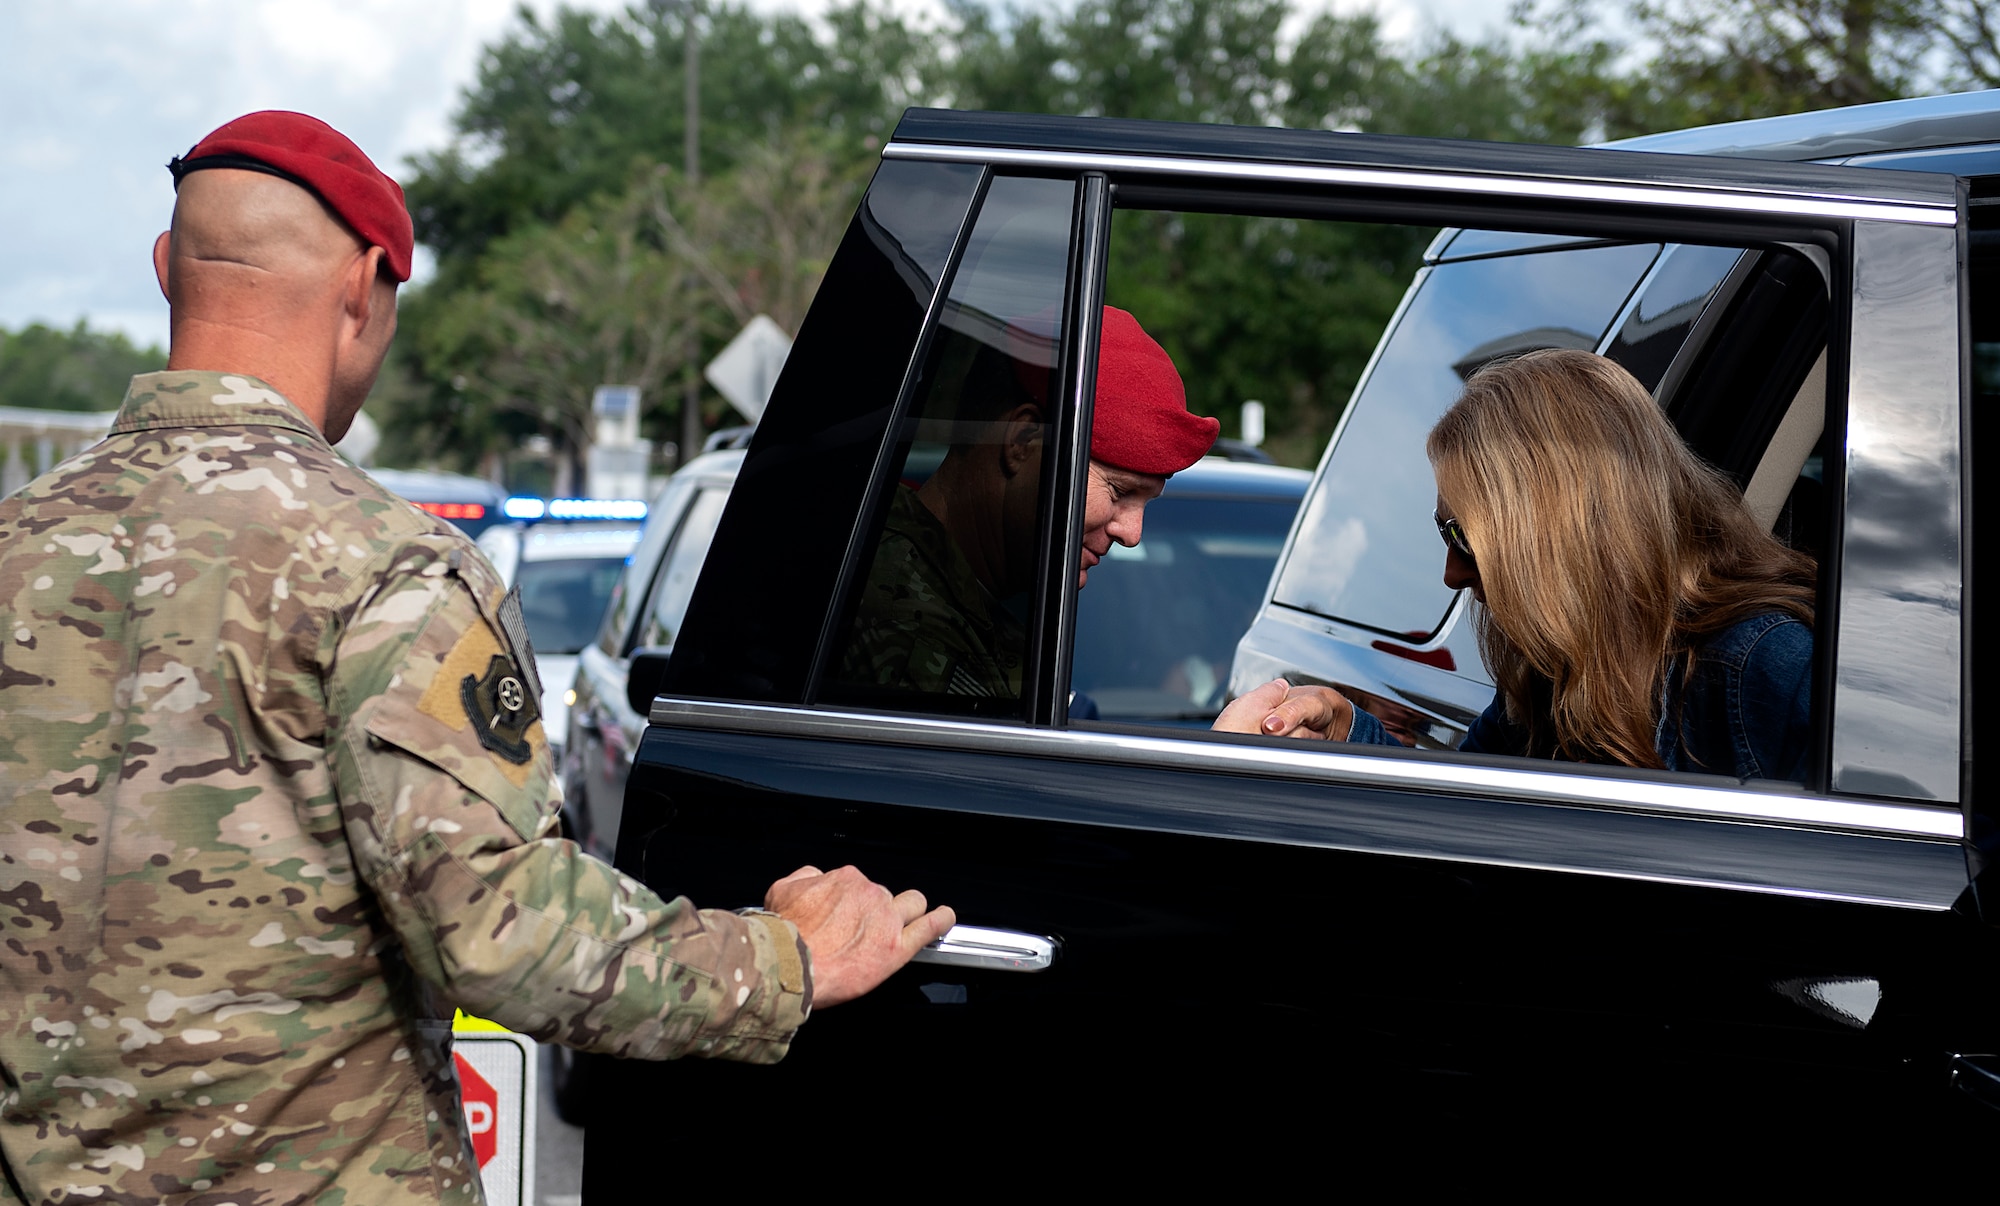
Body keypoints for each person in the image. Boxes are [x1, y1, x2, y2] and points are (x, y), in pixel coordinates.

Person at [0, 112, 954, 1204]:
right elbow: (502, 930)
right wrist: (779, 964)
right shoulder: (386, 572)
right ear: (365, 286)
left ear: (168, 269)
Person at [1218, 348, 1815, 783]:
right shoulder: (1554, 676)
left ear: (1551, 536)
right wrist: (1349, 732)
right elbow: (1464, 816)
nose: (1452, 574)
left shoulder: (1769, 668)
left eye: (1463, 537)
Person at [837, 306, 1219, 699]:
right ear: (1021, 441)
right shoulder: (901, 623)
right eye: (1119, 492)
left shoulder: (951, 589)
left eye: (1146, 501)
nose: (1133, 534)